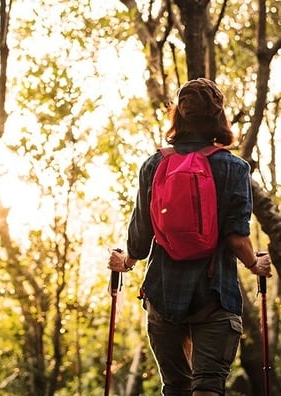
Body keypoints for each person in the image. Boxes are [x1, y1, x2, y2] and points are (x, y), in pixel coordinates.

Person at [108, 78, 272, 396]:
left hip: (163, 293)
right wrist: (256, 263)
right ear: (218, 118)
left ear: (178, 116)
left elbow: (140, 238)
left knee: (176, 387)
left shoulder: (154, 165)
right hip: (216, 293)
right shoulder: (235, 169)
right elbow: (238, 239)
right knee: (208, 386)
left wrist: (124, 261)